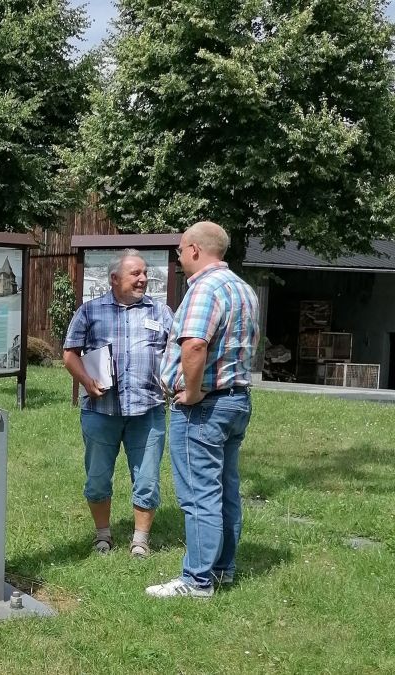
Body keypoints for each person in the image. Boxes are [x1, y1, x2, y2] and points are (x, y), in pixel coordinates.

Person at [147, 221, 259, 599]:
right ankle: (222, 570)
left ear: (195, 249)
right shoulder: (243, 289)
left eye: (180, 251)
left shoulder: (204, 289)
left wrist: (191, 392)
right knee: (226, 489)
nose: (179, 258)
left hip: (205, 405)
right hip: (236, 400)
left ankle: (196, 581)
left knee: (199, 495)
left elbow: (194, 346)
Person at [62, 249, 174, 557]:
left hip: (147, 411)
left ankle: (140, 540)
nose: (143, 279)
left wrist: (171, 379)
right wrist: (87, 382)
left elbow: (176, 352)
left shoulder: (160, 312)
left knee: (148, 480)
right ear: (114, 279)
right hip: (101, 412)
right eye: (135, 273)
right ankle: (102, 535)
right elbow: (70, 354)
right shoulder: (90, 311)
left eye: (144, 273)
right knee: (98, 478)